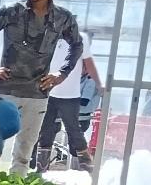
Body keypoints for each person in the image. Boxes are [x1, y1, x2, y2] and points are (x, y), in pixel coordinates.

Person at [0, 0, 84, 177]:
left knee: (24, 154)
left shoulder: (63, 18)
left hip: (37, 94)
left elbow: (76, 45)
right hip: (5, 92)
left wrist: (61, 74)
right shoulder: (12, 12)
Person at [35, 39, 102, 173]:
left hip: (77, 111)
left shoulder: (87, 81)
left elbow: (84, 102)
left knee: (75, 135)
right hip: (51, 96)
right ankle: (41, 167)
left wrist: (100, 84)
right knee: (46, 132)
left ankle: (85, 168)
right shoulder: (50, 38)